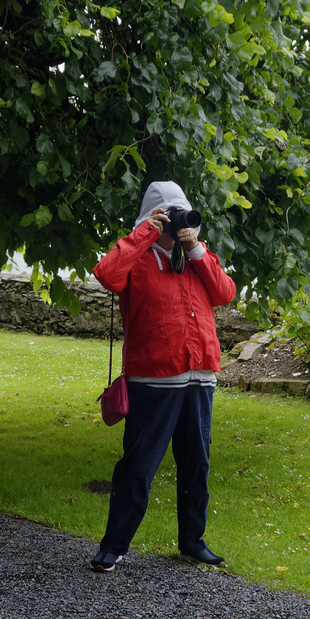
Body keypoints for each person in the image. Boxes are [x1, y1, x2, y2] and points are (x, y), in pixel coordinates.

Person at [89, 181, 237, 572]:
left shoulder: (196, 258)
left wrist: (196, 248)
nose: (177, 225)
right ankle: (113, 546)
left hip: (200, 378)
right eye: (170, 218)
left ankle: (193, 542)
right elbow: (107, 275)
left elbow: (225, 293)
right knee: (138, 465)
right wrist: (146, 232)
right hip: (153, 380)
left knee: (196, 466)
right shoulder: (136, 258)